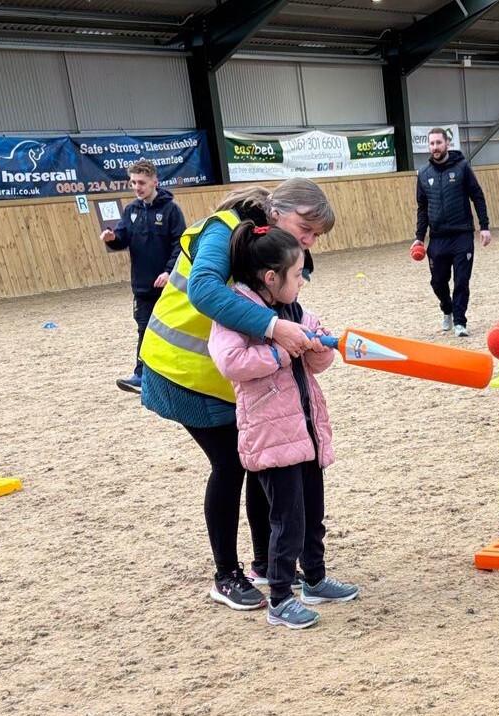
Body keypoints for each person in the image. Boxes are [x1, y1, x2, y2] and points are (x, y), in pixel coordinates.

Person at [139, 179, 336, 611]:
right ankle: (226, 574)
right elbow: (205, 289)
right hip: (183, 370)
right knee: (230, 464)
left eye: (316, 236)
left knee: (259, 460)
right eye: (307, 228)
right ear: (279, 208)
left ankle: (265, 563)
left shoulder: (268, 244)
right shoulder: (224, 228)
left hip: (232, 378)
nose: (309, 240)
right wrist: (274, 330)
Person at [209, 221, 359, 629]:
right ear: (271, 277)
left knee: (313, 514)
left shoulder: (295, 311)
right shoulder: (235, 314)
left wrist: (316, 345)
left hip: (306, 432)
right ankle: (279, 598)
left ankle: (315, 578)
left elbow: (320, 361)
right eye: (297, 276)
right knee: (286, 521)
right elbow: (230, 363)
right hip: (271, 438)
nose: (302, 283)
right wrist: (281, 353)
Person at [100, 159, 186, 394]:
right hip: (142, 286)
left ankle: (174, 376)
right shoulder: (131, 211)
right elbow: (122, 238)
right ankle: (140, 375)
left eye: (141, 182)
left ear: (155, 182)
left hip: (168, 285)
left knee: (171, 330)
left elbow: (181, 245)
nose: (137, 187)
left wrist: (169, 272)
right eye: (133, 182)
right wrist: (112, 239)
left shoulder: (171, 211)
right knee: (144, 329)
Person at [412, 127, 491, 338]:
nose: (435, 147)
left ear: (447, 144)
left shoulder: (462, 167)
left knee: (462, 281)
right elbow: (422, 208)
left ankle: (459, 322)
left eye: (439, 142)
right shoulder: (423, 174)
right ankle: (446, 308)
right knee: (438, 282)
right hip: (437, 238)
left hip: (462, 235)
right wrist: (419, 237)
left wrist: (484, 226)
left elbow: (478, 196)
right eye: (431, 144)